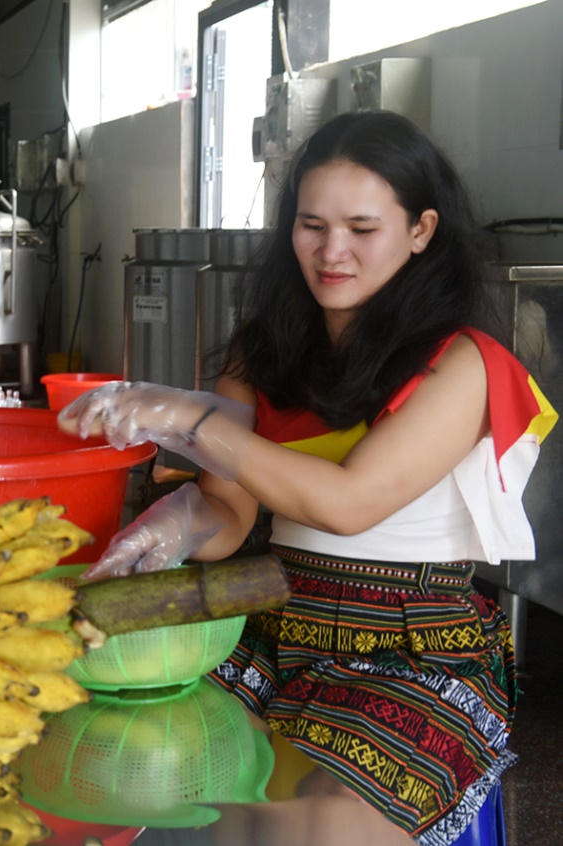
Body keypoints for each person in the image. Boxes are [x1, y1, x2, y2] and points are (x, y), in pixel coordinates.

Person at [59, 111, 555, 845]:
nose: (331, 252)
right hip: (266, 599)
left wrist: (193, 421)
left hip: (412, 636)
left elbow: (346, 504)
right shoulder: (263, 353)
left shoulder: (462, 364)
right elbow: (228, 516)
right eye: (310, 225)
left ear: (420, 230)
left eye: (361, 228)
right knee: (100, 730)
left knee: (315, 823)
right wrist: (172, 524)